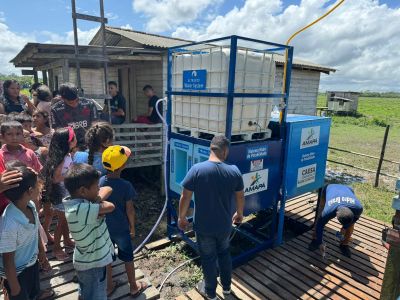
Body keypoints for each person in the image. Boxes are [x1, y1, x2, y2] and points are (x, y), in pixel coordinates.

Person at [178, 135, 245, 300]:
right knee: (224, 254)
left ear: (211, 148)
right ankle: (227, 289)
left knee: (208, 259)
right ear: (225, 150)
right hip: (224, 226)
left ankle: (210, 293)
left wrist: (182, 217)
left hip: (203, 227)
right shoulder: (234, 171)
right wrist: (239, 213)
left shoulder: (197, 169)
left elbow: (185, 196)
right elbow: (240, 196)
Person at [99, 145, 148, 297]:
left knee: (107, 258)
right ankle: (133, 286)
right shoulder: (126, 186)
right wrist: (132, 227)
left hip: (104, 228)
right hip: (121, 228)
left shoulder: (100, 182)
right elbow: (130, 210)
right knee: (128, 257)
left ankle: (109, 286)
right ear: (123, 166)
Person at [0, 165, 54, 300]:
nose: (41, 187)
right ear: (30, 191)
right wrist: (14, 286)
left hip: (31, 262)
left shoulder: (31, 207)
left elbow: (35, 231)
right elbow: (8, 260)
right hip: (16, 273)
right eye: (38, 185)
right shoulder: (9, 223)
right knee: (20, 295)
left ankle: (35, 294)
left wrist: (41, 251)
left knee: (33, 288)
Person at [63, 163, 115, 300]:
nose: (99, 188)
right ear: (83, 191)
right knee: (95, 295)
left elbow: (108, 188)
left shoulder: (80, 203)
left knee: (86, 291)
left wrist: (96, 200)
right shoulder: (79, 210)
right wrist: (97, 202)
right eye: (96, 186)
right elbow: (110, 206)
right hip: (93, 265)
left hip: (88, 261)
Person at [43, 127, 77, 260]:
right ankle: (57, 248)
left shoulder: (65, 155)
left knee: (66, 221)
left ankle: (67, 240)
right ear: (68, 142)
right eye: (73, 138)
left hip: (65, 193)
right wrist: (72, 176)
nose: (75, 140)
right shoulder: (62, 158)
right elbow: (55, 178)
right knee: (61, 222)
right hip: (61, 195)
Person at [309, 184, 364, 258]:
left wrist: (345, 227)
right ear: (336, 214)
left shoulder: (358, 208)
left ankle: (344, 244)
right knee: (320, 217)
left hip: (347, 189)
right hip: (329, 188)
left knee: (350, 225)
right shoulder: (328, 211)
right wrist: (320, 243)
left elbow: (355, 219)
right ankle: (315, 239)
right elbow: (320, 225)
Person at [51, 82, 99, 148]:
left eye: (76, 101)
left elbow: (96, 125)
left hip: (90, 143)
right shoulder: (56, 110)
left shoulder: (89, 104)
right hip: (69, 146)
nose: (75, 104)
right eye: (71, 103)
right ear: (63, 98)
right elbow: (57, 131)